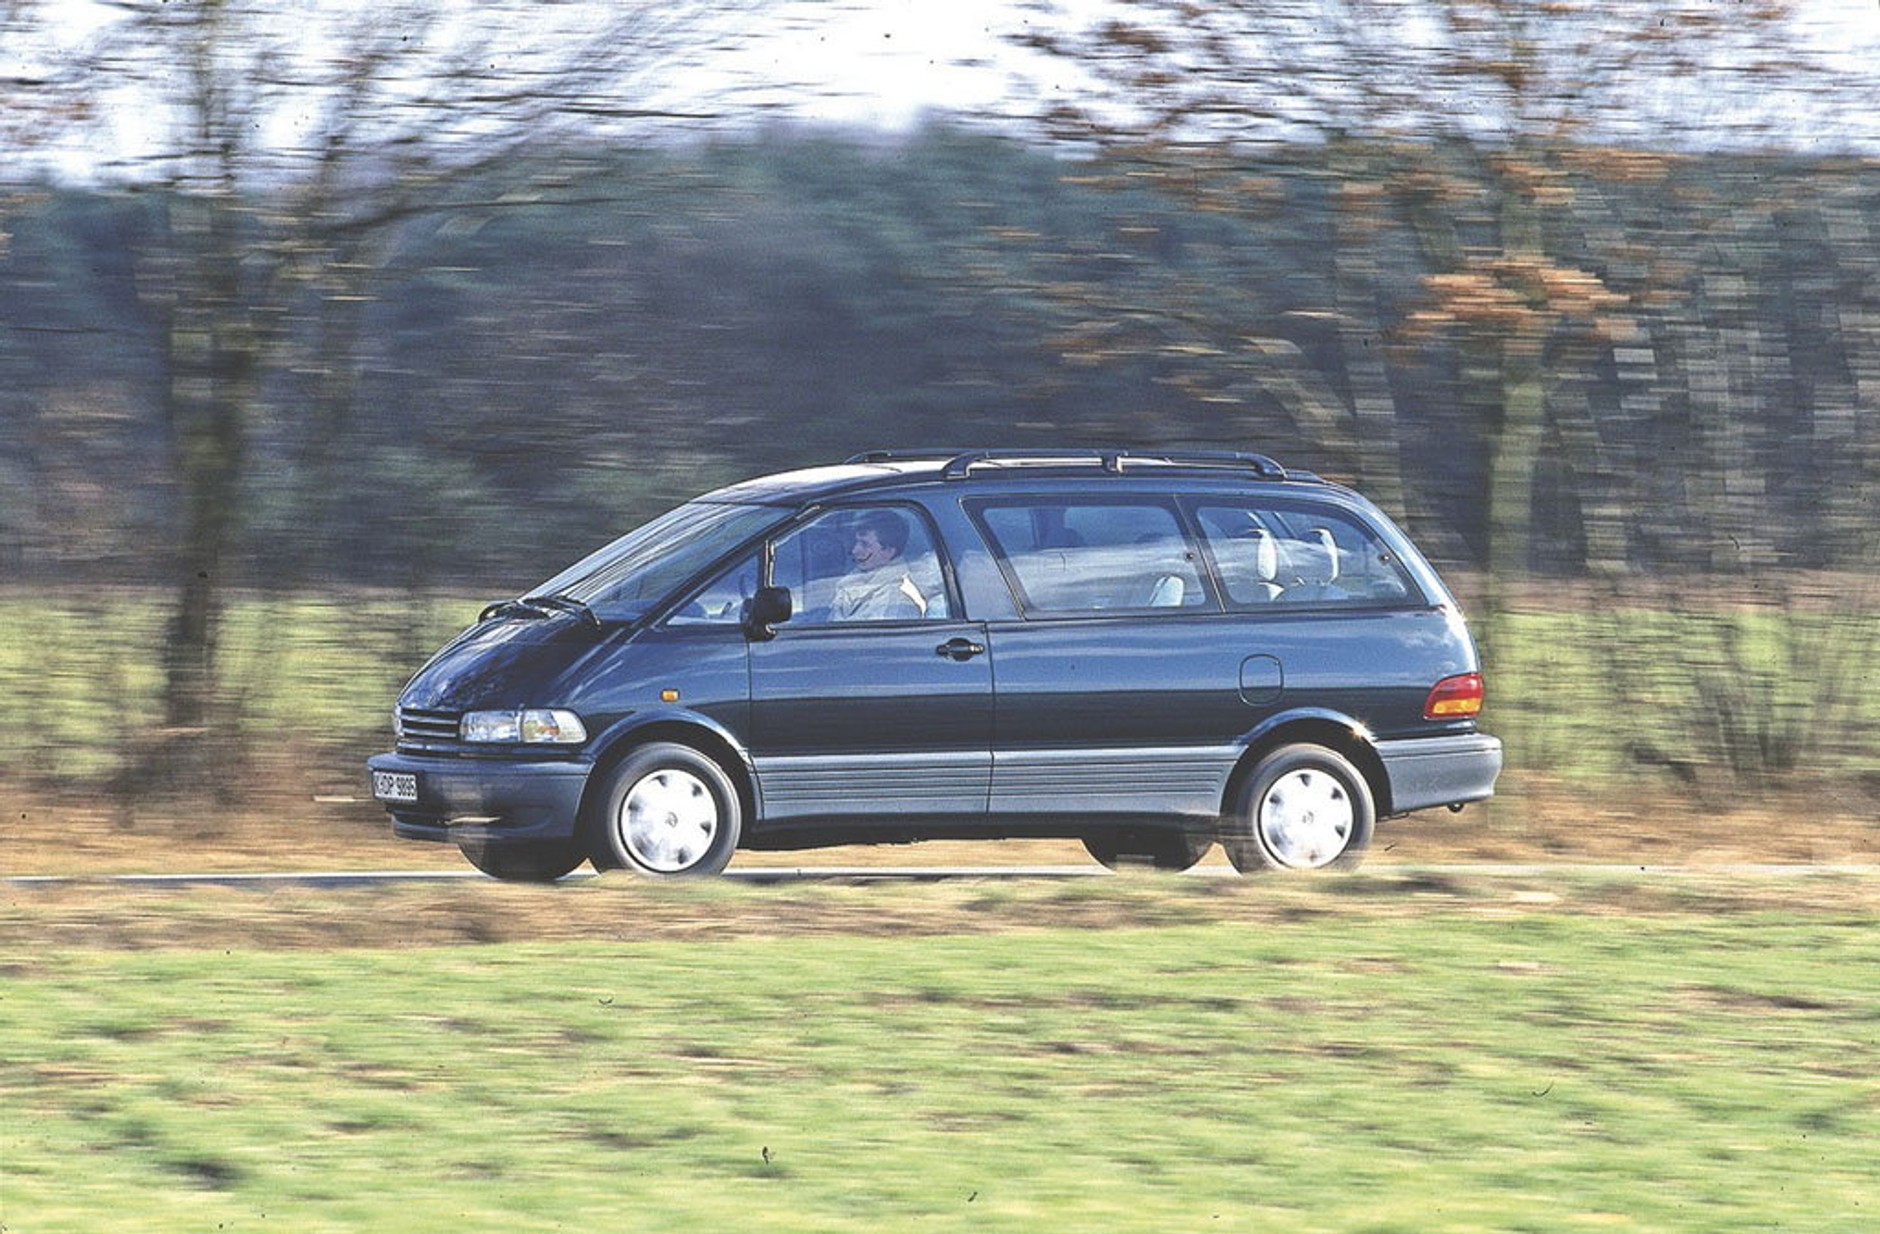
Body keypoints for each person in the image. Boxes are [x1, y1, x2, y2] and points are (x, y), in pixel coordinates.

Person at [830, 510, 927, 620]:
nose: (855, 550)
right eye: (856, 542)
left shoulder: (897, 603)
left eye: (865, 544)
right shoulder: (850, 585)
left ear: (889, 551)